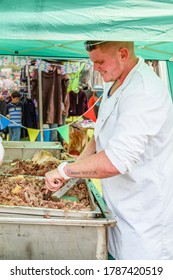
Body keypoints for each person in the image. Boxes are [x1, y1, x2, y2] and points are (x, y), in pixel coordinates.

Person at [45, 41, 173, 260]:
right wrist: (75, 170)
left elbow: (116, 161)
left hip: (144, 221)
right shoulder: (114, 82)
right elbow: (100, 135)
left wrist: (65, 171)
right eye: (93, 62)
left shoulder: (143, 92)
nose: (96, 68)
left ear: (123, 54)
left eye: (100, 61)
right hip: (118, 209)